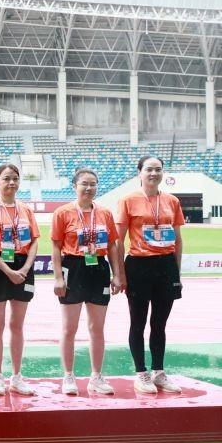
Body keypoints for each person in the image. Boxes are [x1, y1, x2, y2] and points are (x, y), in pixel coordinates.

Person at [116, 155, 185, 395]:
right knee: (138, 322)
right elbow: (118, 241)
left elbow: (178, 240)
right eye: (149, 169)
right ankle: (141, 373)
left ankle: (158, 372)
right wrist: (119, 273)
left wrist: (176, 272)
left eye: (158, 169)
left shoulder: (172, 201)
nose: (154, 173)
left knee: (160, 323)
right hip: (138, 265)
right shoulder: (128, 200)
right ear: (140, 173)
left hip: (166, 266)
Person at [51, 168, 123, 396]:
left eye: (93, 184)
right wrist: (58, 277)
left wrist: (117, 274)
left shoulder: (105, 213)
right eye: (84, 183)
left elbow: (112, 246)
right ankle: (68, 376)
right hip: (73, 268)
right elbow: (55, 247)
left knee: (97, 328)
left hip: (98, 268)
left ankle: (96, 377)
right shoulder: (62, 213)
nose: (89, 188)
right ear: (75, 186)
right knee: (69, 328)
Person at [0, 163, 40, 397]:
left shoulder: (26, 210)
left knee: (17, 325)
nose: (11, 182)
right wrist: (7, 270)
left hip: (23, 266)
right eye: (6, 178)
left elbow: (35, 240)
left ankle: (16, 377)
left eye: (15, 178)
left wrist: (24, 268)